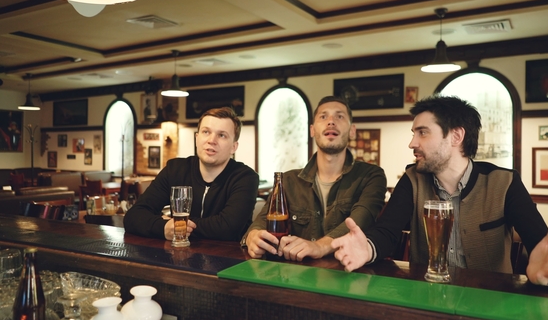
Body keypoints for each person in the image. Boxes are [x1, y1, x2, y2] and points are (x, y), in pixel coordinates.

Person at [331, 94, 548, 286]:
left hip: (489, 306)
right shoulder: (412, 179)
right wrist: (367, 248)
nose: (412, 143)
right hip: (428, 303)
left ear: (455, 136)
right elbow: (386, 232)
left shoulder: (504, 183)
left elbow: (546, 254)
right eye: (413, 133)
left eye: (422, 133)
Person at [243, 96, 387, 261]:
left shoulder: (371, 176)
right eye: (323, 116)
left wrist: (319, 246)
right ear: (312, 130)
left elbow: (361, 220)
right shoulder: (289, 180)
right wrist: (253, 236)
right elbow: (260, 222)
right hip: (296, 277)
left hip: (350, 274)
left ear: (352, 130)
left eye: (339, 116)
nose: (331, 122)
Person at [124, 107, 259, 241]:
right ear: (197, 138)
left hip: (229, 259)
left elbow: (228, 228)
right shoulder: (175, 169)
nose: (212, 140)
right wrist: (163, 227)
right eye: (206, 132)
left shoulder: (245, 178)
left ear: (233, 147)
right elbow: (133, 217)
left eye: (222, 135)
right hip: (177, 257)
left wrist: (177, 223)